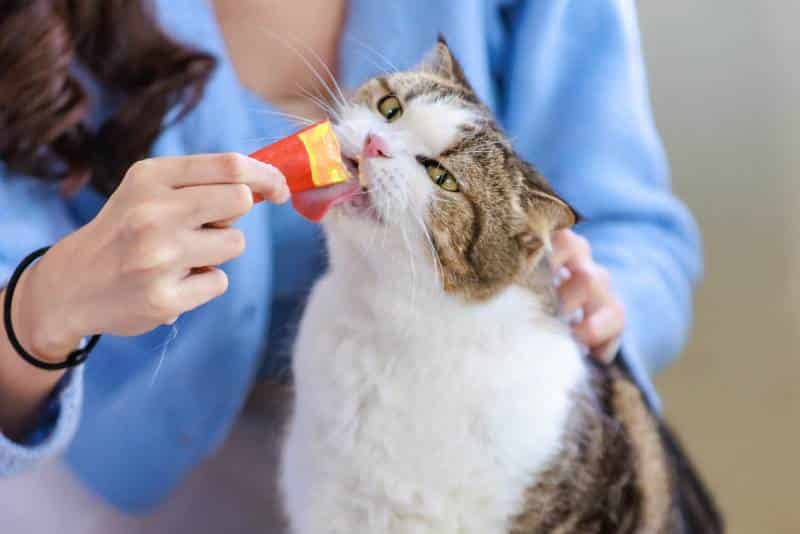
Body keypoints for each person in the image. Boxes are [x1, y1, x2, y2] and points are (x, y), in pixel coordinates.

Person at [0, 0, 701, 531]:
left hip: (464, 458)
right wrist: (43, 305)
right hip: (96, 483)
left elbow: (636, 232)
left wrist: (597, 302)